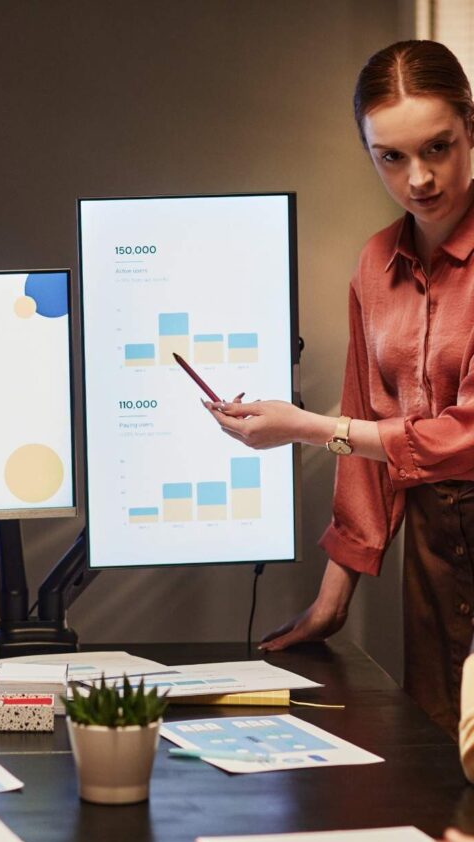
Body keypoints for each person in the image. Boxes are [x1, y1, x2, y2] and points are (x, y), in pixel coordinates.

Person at [205, 39, 474, 736]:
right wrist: (332, 600)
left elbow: (464, 436)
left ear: (471, 128)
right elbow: (366, 426)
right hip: (435, 558)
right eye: (392, 157)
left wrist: (302, 425)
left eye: (438, 147)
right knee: (443, 760)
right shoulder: (375, 264)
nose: (419, 178)